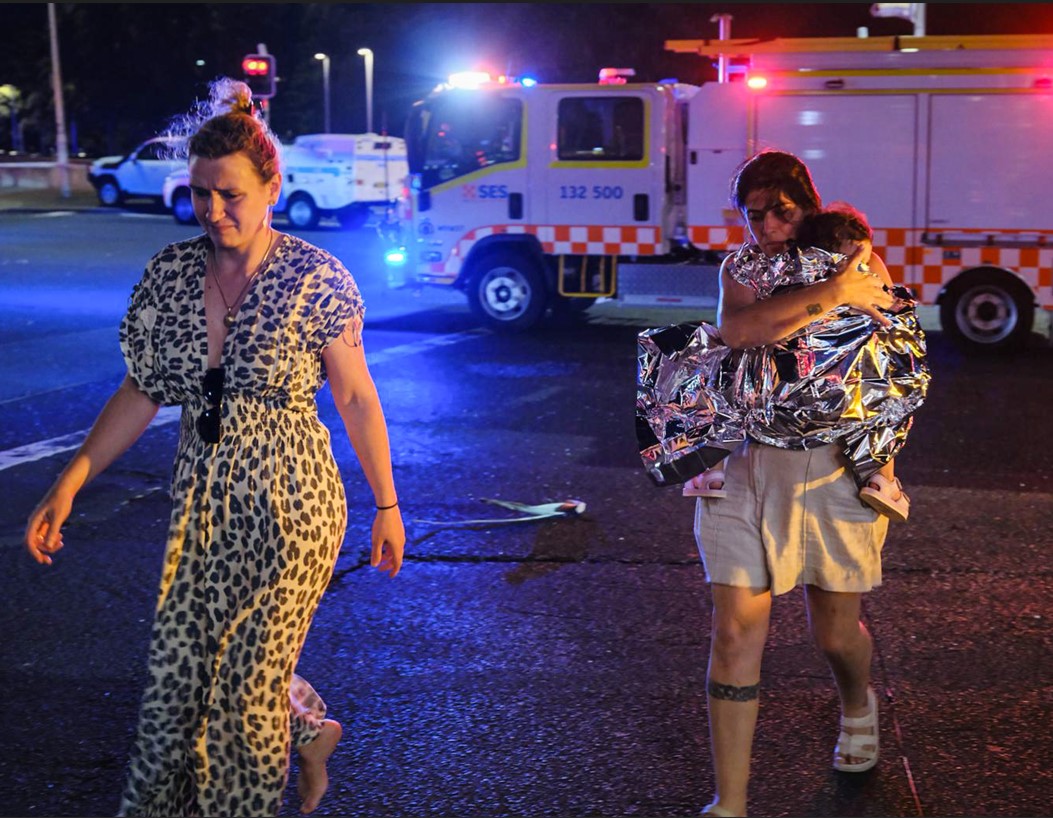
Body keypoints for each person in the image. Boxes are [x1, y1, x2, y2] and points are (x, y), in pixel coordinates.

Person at [23, 77, 405, 818]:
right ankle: (309, 734)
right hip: (203, 503)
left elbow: (356, 398)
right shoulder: (171, 276)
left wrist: (385, 505)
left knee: (245, 684)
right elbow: (142, 390)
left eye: (230, 194)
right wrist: (69, 480)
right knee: (183, 677)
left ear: (272, 187)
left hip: (294, 504)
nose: (213, 210)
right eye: (201, 193)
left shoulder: (315, 279)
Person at [691, 149, 909, 817]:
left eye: (778, 212)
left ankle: (855, 703)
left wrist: (844, 287)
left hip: (834, 468)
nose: (763, 226)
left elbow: (889, 349)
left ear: (805, 204)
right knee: (734, 634)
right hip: (746, 464)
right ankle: (730, 802)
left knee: (834, 634)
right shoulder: (742, 267)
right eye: (750, 213)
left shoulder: (856, 255)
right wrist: (833, 295)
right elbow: (740, 330)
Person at [683, 201, 925, 523]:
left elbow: (740, 332)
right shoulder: (856, 272)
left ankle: (710, 469)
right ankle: (882, 479)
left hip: (782, 382)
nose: (768, 227)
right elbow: (886, 307)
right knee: (886, 401)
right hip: (846, 384)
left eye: (780, 215)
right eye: (756, 216)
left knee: (716, 378)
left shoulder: (784, 274)